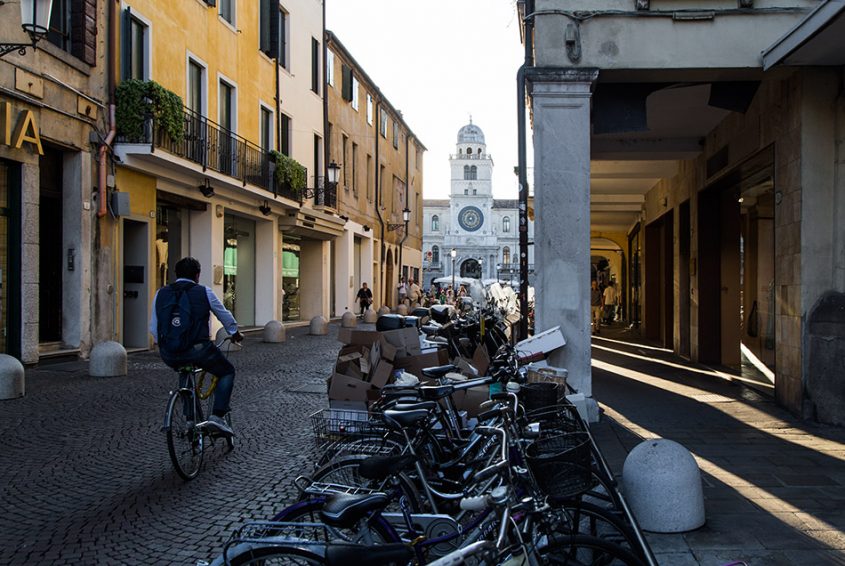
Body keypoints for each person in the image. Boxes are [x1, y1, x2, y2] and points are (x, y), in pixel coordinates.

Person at [150, 257, 243, 436]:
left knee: (184, 369)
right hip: (198, 350)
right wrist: (234, 333)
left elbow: (154, 328)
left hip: (169, 353)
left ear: (175, 274)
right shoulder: (204, 292)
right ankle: (217, 417)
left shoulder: (160, 293)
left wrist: (168, 344)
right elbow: (225, 316)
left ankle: (189, 420)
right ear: (197, 275)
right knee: (226, 372)